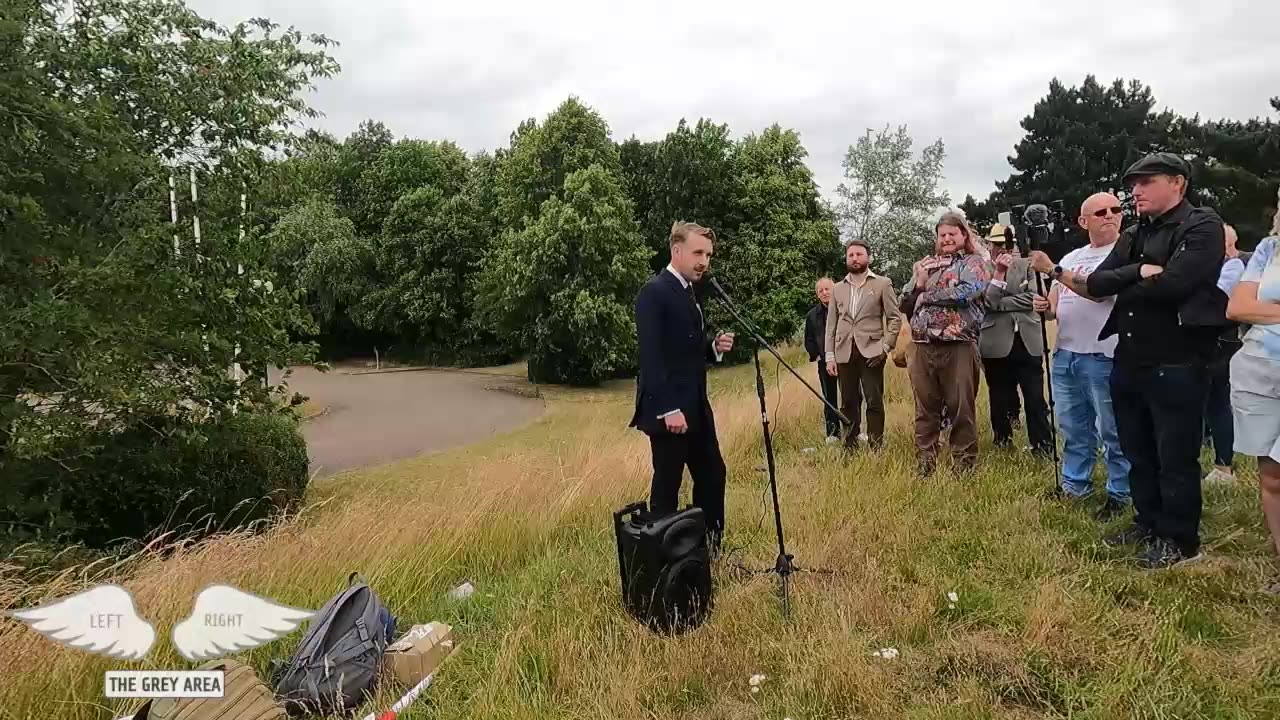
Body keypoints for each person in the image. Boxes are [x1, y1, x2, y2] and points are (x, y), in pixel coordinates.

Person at [1030, 153, 1226, 569]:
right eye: (1132, 183)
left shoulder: (1201, 225)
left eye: (1145, 181)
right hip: (1129, 357)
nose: (1134, 191)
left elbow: (1176, 283)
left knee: (1174, 454)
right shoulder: (1135, 234)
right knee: (1138, 448)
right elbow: (1100, 283)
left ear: (1177, 183)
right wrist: (1140, 271)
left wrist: (1135, 278)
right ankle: (1147, 520)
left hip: (1178, 359)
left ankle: (1179, 538)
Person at [630, 221, 736, 551]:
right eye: (697, 253)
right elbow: (652, 356)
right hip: (669, 412)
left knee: (712, 475)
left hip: (696, 408)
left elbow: (685, 348)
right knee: (667, 487)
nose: (704, 261)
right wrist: (669, 409)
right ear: (677, 251)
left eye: (708, 254)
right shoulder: (655, 291)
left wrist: (713, 347)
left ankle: (708, 552)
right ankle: (661, 564)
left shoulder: (689, 292)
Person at [1042, 192, 1132, 520]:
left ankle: (1121, 491)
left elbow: (1098, 291)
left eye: (1115, 209)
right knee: (1072, 425)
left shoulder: (1125, 250)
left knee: (1112, 428)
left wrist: (1053, 269)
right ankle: (1075, 484)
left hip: (1104, 353)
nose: (1110, 215)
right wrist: (1046, 307)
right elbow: (1055, 302)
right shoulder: (1074, 254)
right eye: (1100, 212)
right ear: (1083, 221)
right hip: (1066, 351)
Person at [900, 212, 993, 476]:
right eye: (942, 234)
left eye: (953, 233)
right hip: (921, 345)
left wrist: (926, 296)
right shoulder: (926, 265)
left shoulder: (975, 262)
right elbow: (904, 304)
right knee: (925, 408)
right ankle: (925, 462)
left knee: (961, 407)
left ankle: (964, 465)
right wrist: (918, 284)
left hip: (958, 345)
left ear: (964, 235)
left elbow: (968, 292)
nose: (947, 238)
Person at [1225, 197, 1280, 594]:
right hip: (1259, 367)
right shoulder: (1268, 248)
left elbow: (1254, 305)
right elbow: (1238, 307)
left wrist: (1268, 307)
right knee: (1272, 475)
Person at [824, 240, 902, 451]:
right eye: (851, 255)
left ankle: (876, 446)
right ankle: (850, 445)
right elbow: (831, 325)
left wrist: (886, 347)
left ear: (868, 257)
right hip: (844, 352)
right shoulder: (838, 289)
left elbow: (894, 318)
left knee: (874, 400)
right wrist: (830, 356)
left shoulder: (882, 284)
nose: (855, 258)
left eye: (859, 254)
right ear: (846, 259)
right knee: (848, 402)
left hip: (872, 351)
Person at [980, 232, 1053, 455]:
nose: (1003, 248)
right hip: (996, 342)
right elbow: (987, 301)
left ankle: (1042, 445)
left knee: (1035, 397)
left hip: (1028, 339)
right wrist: (1001, 298)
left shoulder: (1027, 265)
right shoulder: (981, 268)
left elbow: (1035, 297)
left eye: (1007, 243)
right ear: (989, 244)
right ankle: (1002, 442)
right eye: (997, 243)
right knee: (999, 396)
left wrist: (1001, 302)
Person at [1204, 224, 1248, 484]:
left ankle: (1224, 466)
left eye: (1230, 246)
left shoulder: (1235, 267)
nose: (1229, 252)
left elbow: (1217, 301)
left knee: (1217, 402)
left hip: (1222, 341)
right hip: (1206, 341)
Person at [804, 277, 841, 443]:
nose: (825, 293)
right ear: (817, 295)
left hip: (846, 360)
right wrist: (818, 356)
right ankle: (833, 434)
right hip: (825, 362)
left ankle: (855, 430)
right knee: (829, 398)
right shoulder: (812, 315)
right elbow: (809, 339)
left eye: (827, 289)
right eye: (821, 291)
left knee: (852, 396)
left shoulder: (843, 308)